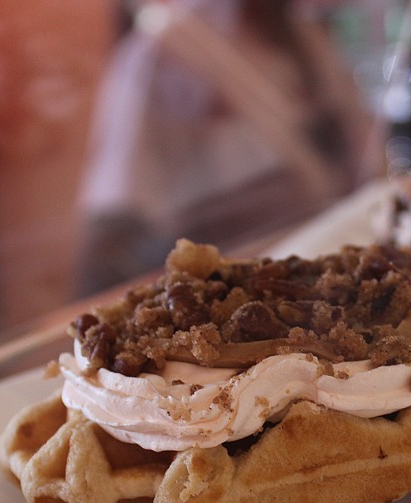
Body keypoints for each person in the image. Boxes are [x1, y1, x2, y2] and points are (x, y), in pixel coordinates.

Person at [76, 0, 382, 295]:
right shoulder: (166, 54)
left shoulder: (301, 33)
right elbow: (112, 224)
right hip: (227, 284)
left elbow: (361, 146)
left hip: (326, 258)